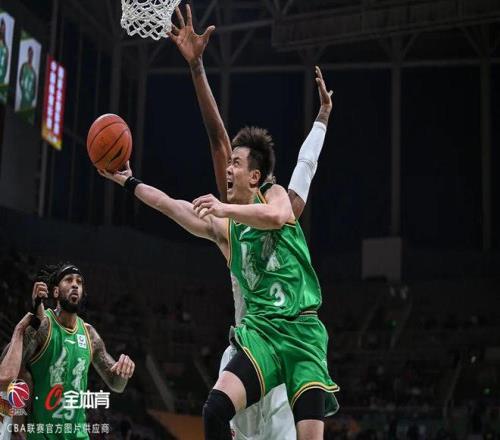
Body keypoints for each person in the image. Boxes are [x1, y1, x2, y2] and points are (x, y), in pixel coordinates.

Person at [168, 5, 334, 438]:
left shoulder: (281, 209)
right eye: (229, 168)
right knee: (216, 412)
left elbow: (304, 170)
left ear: (258, 179)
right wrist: (197, 67)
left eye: (237, 166)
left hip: (285, 359)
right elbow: (217, 140)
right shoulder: (228, 221)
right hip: (250, 347)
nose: (228, 172)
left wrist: (321, 119)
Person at [0, 262, 135, 438]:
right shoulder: (43, 325)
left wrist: (124, 373)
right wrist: (29, 328)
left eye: (79, 282)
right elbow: (7, 372)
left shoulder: (90, 335)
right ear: (56, 292)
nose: (75, 285)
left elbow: (116, 384)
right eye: (69, 280)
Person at [18, 46, 36, 110]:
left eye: (31, 53)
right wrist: (23, 90)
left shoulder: (33, 72)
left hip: (30, 101)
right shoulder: (24, 66)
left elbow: (34, 86)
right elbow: (20, 79)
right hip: (24, 97)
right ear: (27, 54)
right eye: (29, 53)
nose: (30, 55)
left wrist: (32, 96)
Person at [0, 19, 10, 85]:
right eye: (1, 28)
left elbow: (6, 66)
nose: (3, 30)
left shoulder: (6, 48)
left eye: (4, 29)